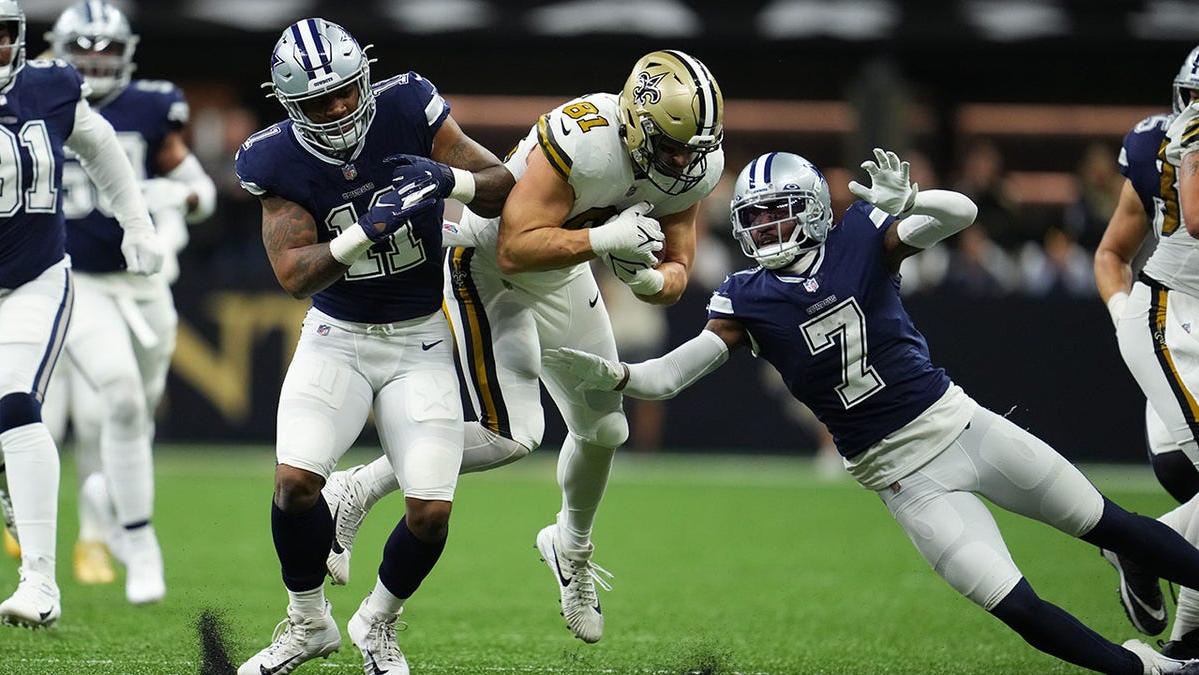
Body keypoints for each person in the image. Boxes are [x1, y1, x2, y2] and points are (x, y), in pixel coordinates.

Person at [542, 149, 1199, 675]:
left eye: (777, 214)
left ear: (812, 211)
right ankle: (1143, 670)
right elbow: (675, 372)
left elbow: (960, 212)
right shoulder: (747, 297)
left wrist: (910, 203)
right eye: (756, 218)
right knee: (1017, 605)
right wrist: (623, 375)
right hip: (904, 479)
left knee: (1111, 524)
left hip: (964, 426)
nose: (764, 230)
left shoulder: (860, 236)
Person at [321, 49, 724, 644]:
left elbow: (680, 268)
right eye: (673, 148)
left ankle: (570, 546)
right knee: (514, 433)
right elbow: (514, 245)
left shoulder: (690, 163)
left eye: (696, 149)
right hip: (486, 267)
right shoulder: (584, 139)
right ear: (637, 124)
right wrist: (603, 236)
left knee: (606, 431)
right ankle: (360, 486)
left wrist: (646, 280)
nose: (685, 163)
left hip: (564, 275)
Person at [233, 17, 514, 675]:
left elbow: (501, 183)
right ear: (287, 104)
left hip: (419, 335)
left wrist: (451, 183)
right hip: (338, 336)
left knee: (430, 514)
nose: (335, 110)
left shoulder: (408, 104)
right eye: (316, 101)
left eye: (343, 92)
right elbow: (294, 272)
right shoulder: (272, 157)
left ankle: (377, 622)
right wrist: (364, 230)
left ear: (364, 75)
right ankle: (307, 625)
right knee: (297, 482)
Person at [32, 0, 218, 603]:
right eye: (81, 47)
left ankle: (110, 501)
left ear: (127, 53)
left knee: (136, 411)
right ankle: (140, 543)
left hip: (144, 286)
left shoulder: (149, 106)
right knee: (115, 396)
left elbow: (203, 193)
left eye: (105, 49)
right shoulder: (38, 103)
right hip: (76, 277)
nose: (92, 60)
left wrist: (170, 197)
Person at [0, 0, 163, 629]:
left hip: (32, 280)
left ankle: (40, 581)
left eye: (1, 35)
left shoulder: (48, 85)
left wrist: (138, 225)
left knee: (16, 404)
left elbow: (101, 151)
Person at [1093, 44, 1199, 642]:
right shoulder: (1161, 147)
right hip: (1179, 343)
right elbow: (1112, 252)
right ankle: (1141, 546)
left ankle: (1186, 643)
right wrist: (1124, 318)